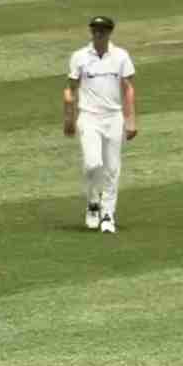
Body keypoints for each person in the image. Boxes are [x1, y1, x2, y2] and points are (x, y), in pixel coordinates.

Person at [63, 16, 136, 234]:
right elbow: (70, 89)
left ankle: (107, 215)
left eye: (102, 31)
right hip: (89, 117)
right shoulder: (80, 57)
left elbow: (128, 88)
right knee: (93, 164)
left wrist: (131, 120)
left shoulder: (121, 56)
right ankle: (93, 201)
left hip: (114, 117)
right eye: (95, 30)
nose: (98, 34)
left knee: (112, 169)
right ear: (91, 32)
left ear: (110, 32)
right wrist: (68, 118)